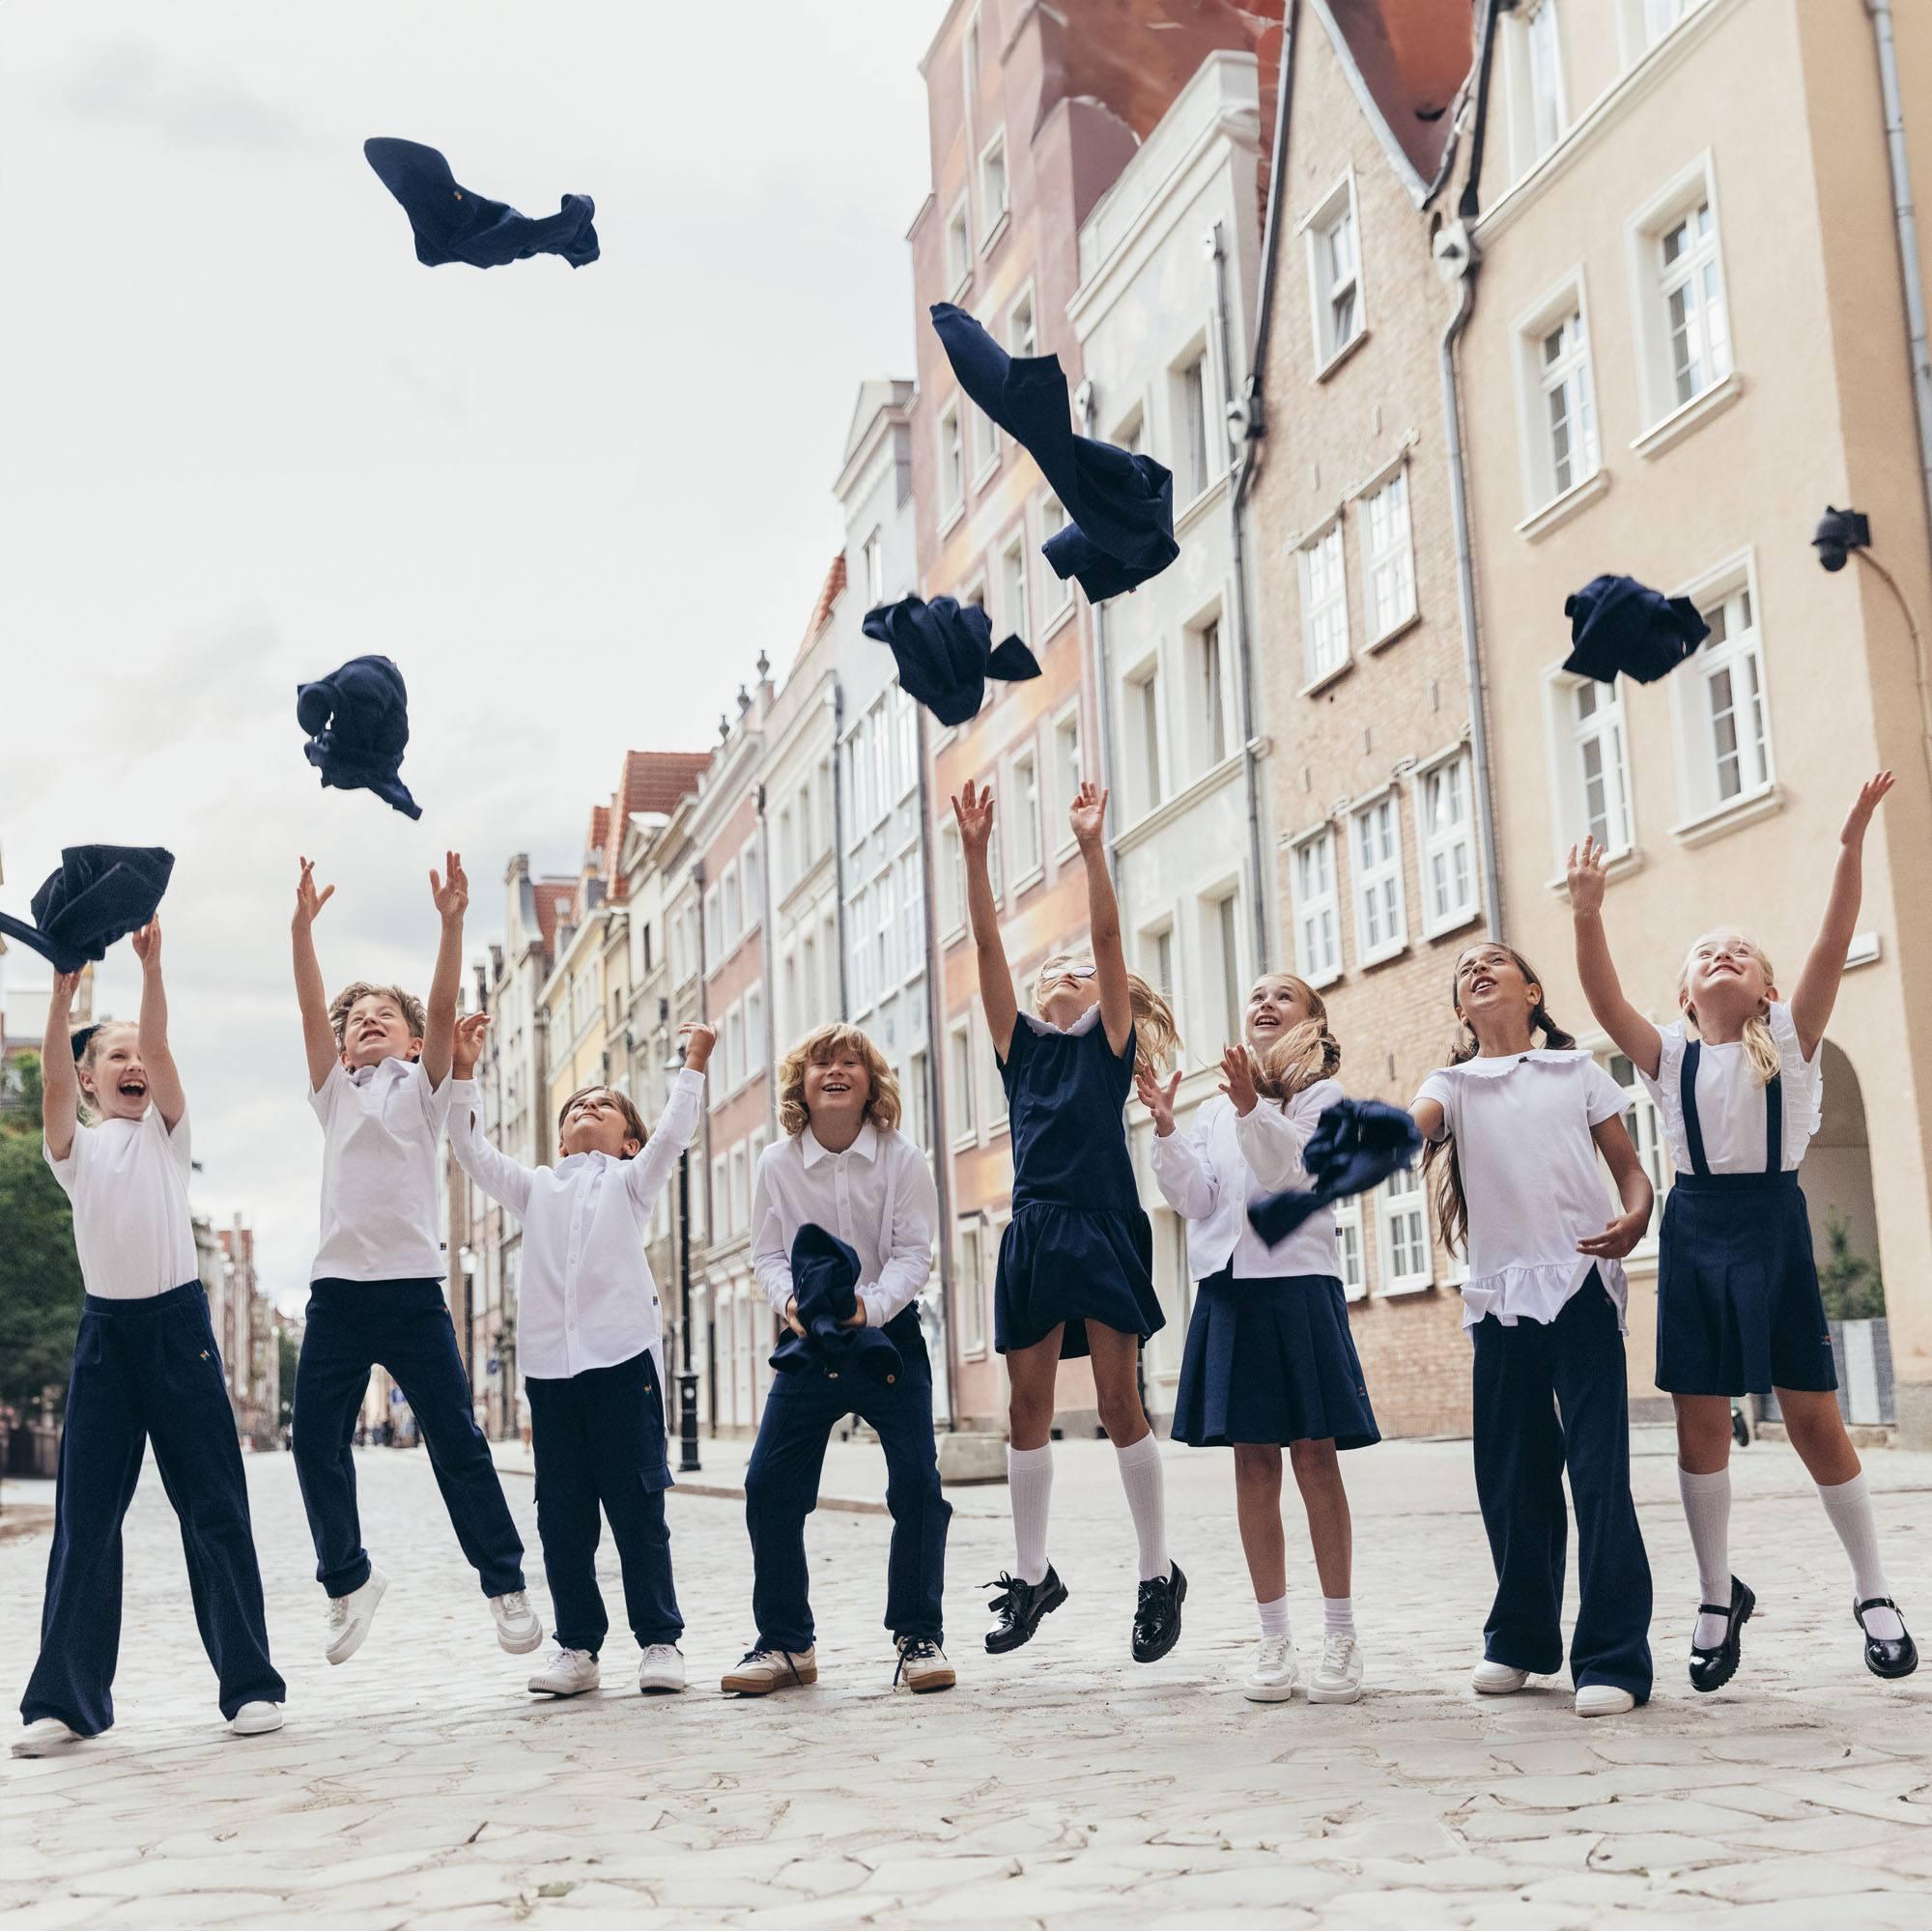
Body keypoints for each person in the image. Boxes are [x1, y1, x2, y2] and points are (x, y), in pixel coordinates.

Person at [1569, 771, 1915, 1686]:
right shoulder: (1670, 1055)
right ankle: (1718, 1594)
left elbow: (1838, 940)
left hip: (1771, 1231)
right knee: (1700, 1424)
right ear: (1685, 995)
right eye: (1704, 952)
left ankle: (1873, 1587)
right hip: (1693, 1233)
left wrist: (1848, 844)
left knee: (1812, 1417)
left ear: (1762, 989)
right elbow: (1604, 1004)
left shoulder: (1791, 1045)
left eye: (1739, 951)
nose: (1721, 954)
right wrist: (1587, 913)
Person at [15, 927, 285, 1757]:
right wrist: (64, 1001)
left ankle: (249, 1685)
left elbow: (159, 1049)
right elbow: (52, 1086)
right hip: (107, 1337)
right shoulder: (78, 1150)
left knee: (213, 1509)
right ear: (94, 1081)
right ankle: (66, 1697)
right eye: (114, 1055)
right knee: (85, 1520)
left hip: (176, 1331)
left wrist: (152, 967)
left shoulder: (169, 1136)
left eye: (141, 1052)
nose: (133, 1062)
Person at [953, 778, 1186, 1663]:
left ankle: (1156, 1573)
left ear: (1102, 996)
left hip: (1101, 1225)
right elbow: (985, 943)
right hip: (1037, 1231)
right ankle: (1031, 1575)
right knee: (1028, 1405)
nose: (1060, 974)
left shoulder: (1108, 1045)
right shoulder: (1020, 1049)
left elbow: (1108, 935)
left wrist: (1092, 847)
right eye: (1049, 972)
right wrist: (976, 855)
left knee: (1120, 1401)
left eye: (1076, 974)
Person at [288, 854, 539, 1665]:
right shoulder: (333, 1092)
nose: (365, 1020)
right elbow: (306, 1007)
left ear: (411, 1038)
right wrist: (301, 931)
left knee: (456, 1439)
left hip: (411, 1291)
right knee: (312, 1441)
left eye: (381, 1015)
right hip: (336, 1293)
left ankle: (504, 1582)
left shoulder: (425, 1089)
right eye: (354, 1015)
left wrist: (453, 923)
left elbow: (438, 1005)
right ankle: (348, 1579)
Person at [1410, 941, 1656, 1718]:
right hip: (1501, 1299)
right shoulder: (1450, 1084)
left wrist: (1638, 1214)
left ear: (1533, 988)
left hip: (1583, 1285)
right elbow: (1418, 1122)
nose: (1477, 969)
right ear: (1460, 1009)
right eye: (1465, 972)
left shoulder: (1575, 1070)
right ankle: (1521, 1637)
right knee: (1511, 1478)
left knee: (1597, 1475)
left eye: (1494, 961)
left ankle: (1614, 1655)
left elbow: (1630, 1170)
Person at [446, 1012, 710, 1698]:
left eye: (604, 1104)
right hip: (552, 1373)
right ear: (559, 1137)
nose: (587, 1106)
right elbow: (472, 1154)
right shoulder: (535, 1187)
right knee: (561, 1516)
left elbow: (677, 1133)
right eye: (575, 1107)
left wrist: (694, 1061)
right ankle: (577, 1647)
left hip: (621, 1364)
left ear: (629, 1142)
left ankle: (659, 1640)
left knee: (637, 1509)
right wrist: (466, 1071)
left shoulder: (632, 1182)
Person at [1143, 973, 1377, 1705]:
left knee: (1315, 1456)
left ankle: (1340, 1632)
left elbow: (1294, 1174)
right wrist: (1169, 1130)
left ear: (1312, 1018)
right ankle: (1274, 1636)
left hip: (1299, 1284)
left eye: (1285, 995)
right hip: (1230, 1288)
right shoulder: (1215, 1108)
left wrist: (1251, 1107)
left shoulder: (1324, 1100)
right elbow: (1198, 1199)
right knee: (1252, 1466)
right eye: (1256, 995)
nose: (1265, 1003)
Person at [723, 1024, 953, 1695]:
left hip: (888, 1336)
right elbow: (765, 1252)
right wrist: (790, 1302)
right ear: (801, 1082)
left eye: (850, 1060)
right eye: (821, 1060)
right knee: (768, 1484)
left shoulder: (903, 1159)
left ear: (870, 1082)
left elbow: (915, 1253)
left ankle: (918, 1634)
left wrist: (869, 1307)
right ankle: (787, 1642)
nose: (835, 1069)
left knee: (917, 1483)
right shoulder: (776, 1164)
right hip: (810, 1339)